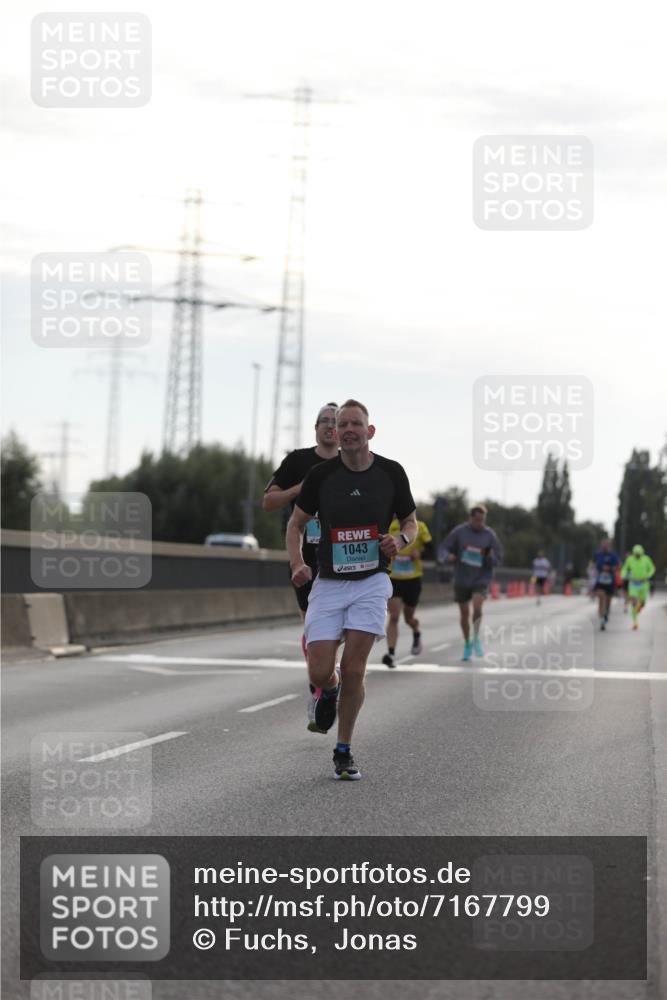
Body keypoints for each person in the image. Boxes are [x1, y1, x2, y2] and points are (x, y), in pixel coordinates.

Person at [286, 399, 417, 781]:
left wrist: (401, 539)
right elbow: (296, 524)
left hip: (372, 583)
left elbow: (410, 520)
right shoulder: (321, 476)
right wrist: (297, 563)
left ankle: (343, 750)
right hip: (328, 582)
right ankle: (330, 689)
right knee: (320, 670)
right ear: (336, 432)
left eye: (355, 424)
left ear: (369, 431)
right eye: (342, 424)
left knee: (355, 667)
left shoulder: (391, 473)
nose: (347, 430)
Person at [263, 402, 339, 637]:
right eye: (325, 420)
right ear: (315, 428)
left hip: (341, 556)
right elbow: (268, 502)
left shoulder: (351, 463)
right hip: (305, 558)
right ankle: (324, 668)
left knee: (337, 627)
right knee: (313, 626)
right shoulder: (298, 460)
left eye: (336, 421)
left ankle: (330, 669)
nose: (330, 425)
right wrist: (299, 489)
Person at [439, 504, 502, 662]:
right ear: (471, 518)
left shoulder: (489, 535)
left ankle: (476, 637)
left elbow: (498, 559)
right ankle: (467, 643)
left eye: (483, 520)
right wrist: (448, 557)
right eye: (477, 520)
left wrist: (488, 556)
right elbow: (443, 549)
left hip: (481, 577)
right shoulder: (460, 532)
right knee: (464, 613)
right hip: (462, 577)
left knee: (478, 605)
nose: (480, 523)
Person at [382, 517, 432, 667]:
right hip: (395, 578)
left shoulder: (420, 527)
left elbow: (431, 549)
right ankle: (391, 654)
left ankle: (416, 631)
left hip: (413, 578)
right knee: (394, 616)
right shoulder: (389, 526)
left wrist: (420, 554)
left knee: (409, 618)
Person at [621, 544, 656, 630]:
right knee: (634, 601)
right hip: (633, 583)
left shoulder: (646, 559)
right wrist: (624, 575)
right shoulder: (629, 559)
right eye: (636, 554)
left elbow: (652, 568)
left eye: (639, 554)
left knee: (642, 603)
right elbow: (624, 568)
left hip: (644, 583)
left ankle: (640, 607)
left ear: (642, 553)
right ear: (633, 553)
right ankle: (635, 622)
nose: (637, 556)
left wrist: (648, 575)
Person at [592, 537, 620, 630]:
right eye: (603, 544)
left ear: (609, 545)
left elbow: (617, 566)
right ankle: (602, 617)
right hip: (600, 580)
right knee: (601, 597)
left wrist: (610, 568)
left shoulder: (613, 555)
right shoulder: (597, 554)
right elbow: (593, 564)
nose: (604, 546)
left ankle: (606, 613)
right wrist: (599, 568)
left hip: (610, 580)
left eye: (606, 544)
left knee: (608, 601)